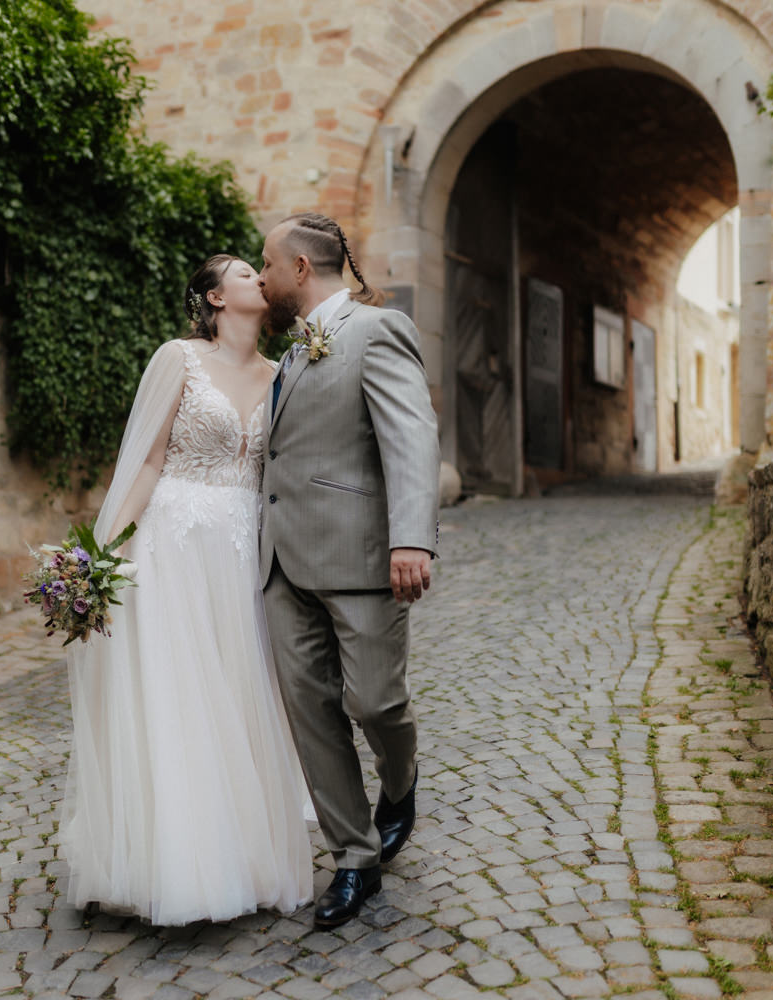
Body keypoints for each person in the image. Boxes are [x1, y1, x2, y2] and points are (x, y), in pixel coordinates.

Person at [57, 255, 312, 926]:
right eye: (242, 271)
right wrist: (100, 558)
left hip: (244, 551)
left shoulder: (283, 372)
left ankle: (246, 857)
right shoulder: (179, 358)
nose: (260, 275)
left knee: (243, 694)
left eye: (261, 269)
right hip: (175, 542)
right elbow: (145, 461)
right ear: (213, 296)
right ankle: (180, 866)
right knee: (183, 700)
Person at [257, 212, 441, 928]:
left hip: (361, 555)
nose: (264, 275)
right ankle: (354, 856)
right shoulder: (291, 353)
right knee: (313, 716)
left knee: (374, 703)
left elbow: (411, 434)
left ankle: (402, 778)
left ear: (301, 268)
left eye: (268, 263)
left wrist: (412, 539)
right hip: (283, 565)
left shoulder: (375, 331)